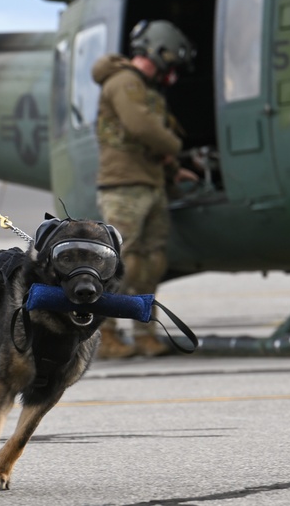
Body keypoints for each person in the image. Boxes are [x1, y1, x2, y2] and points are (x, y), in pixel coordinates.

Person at [92, 20, 197, 359]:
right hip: (124, 186)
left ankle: (143, 333)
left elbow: (151, 145)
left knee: (152, 262)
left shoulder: (142, 88)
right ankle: (105, 335)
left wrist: (172, 170)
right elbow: (142, 128)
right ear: (161, 51)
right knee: (122, 264)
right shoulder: (124, 83)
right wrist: (175, 145)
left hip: (149, 183)